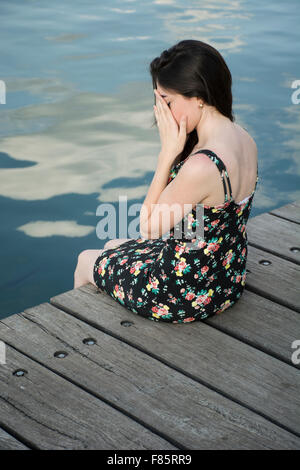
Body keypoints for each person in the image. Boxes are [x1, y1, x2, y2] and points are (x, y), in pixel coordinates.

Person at [73, 39, 259, 323]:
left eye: (166, 101)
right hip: (225, 279)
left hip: (181, 293)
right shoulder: (244, 138)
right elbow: (205, 223)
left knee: (86, 259)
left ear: (198, 95)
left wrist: (167, 155)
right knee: (113, 245)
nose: (160, 111)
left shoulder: (202, 165)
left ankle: (78, 343)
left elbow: (148, 229)